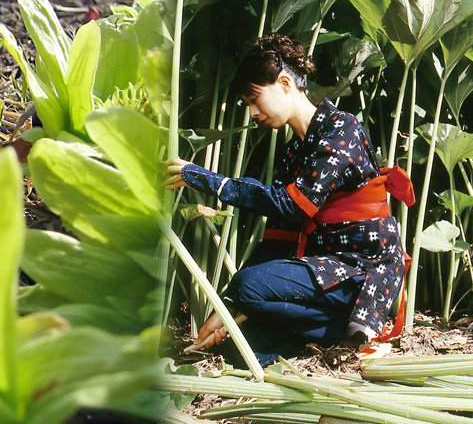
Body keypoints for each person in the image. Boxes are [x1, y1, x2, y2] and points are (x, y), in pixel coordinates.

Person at [163, 34, 412, 365]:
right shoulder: (294, 150)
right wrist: (227, 307)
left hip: (360, 270)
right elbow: (279, 237)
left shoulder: (341, 129)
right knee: (241, 351)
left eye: (254, 99)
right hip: (324, 275)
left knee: (249, 285)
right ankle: (333, 332)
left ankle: (355, 323)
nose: (252, 112)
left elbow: (291, 206)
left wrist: (213, 182)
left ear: (283, 83)